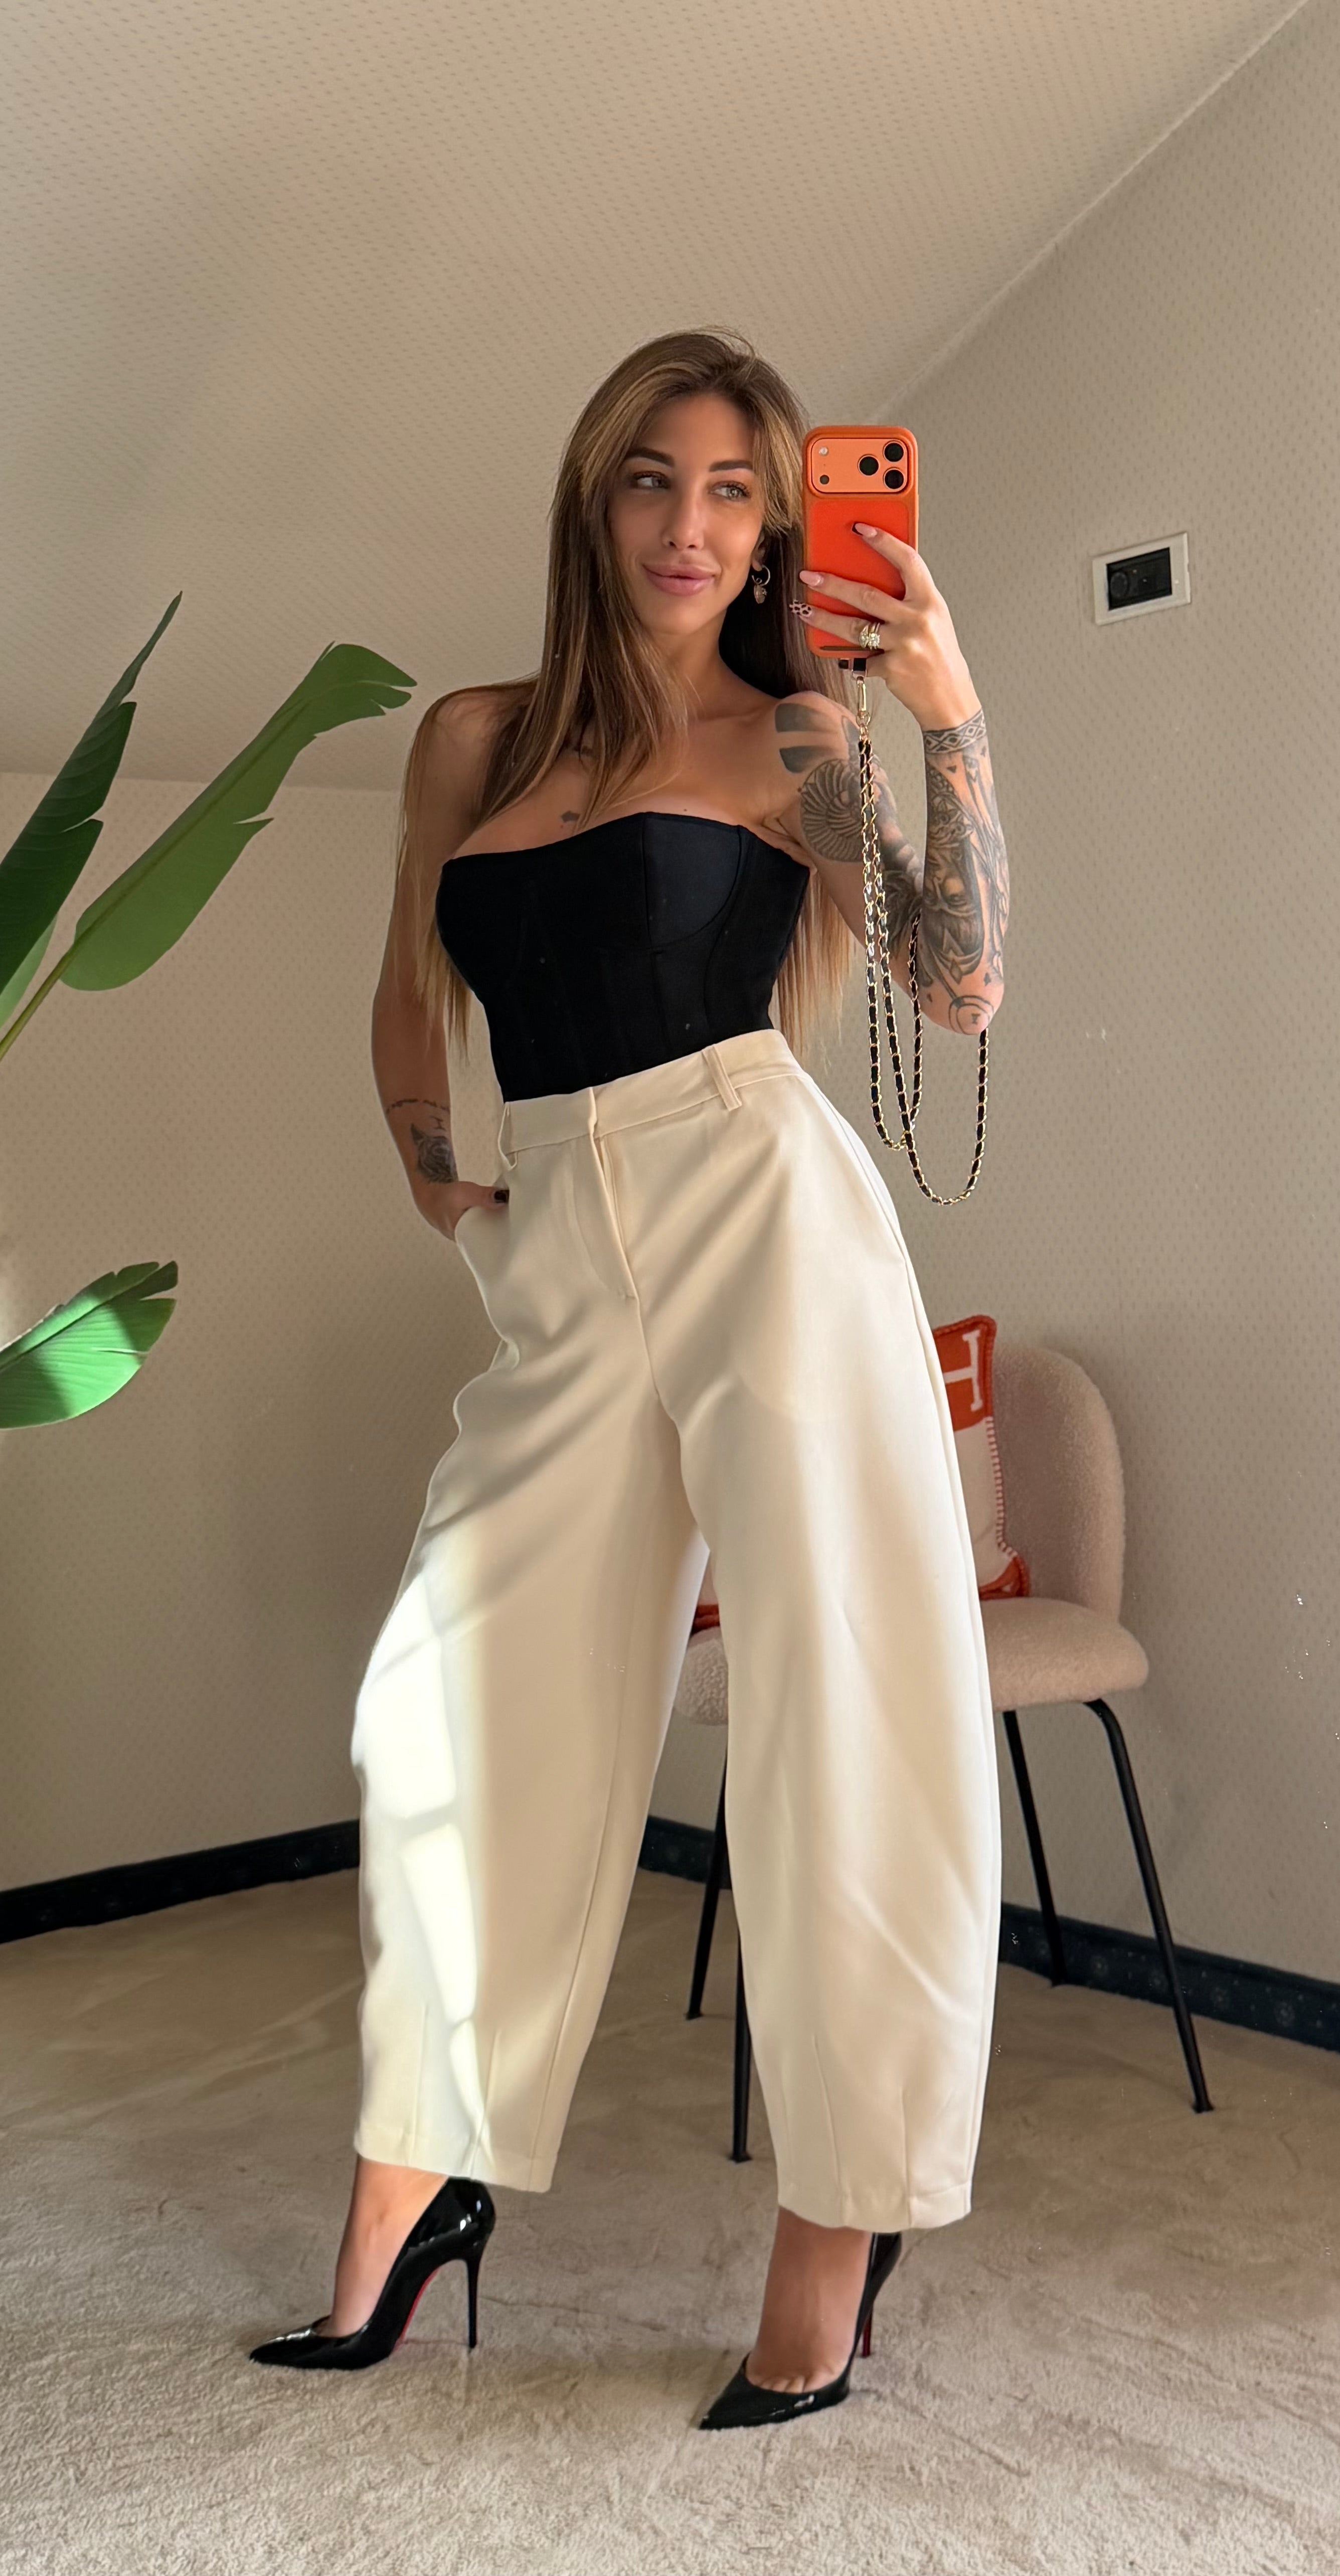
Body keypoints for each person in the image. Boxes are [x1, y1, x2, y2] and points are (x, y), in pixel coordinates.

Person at [250, 328, 1011, 2431]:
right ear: (591, 503)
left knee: (842, 1717)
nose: (691, 524)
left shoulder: (800, 734)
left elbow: (957, 987)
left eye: (735, 490)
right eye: (650, 480)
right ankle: (414, 2187)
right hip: (561, 1244)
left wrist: (945, 708)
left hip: (766, 1211)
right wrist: (456, 1197)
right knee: (449, 1708)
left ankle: (838, 2227)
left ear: (776, 529)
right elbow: (407, 1000)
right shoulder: (470, 739)